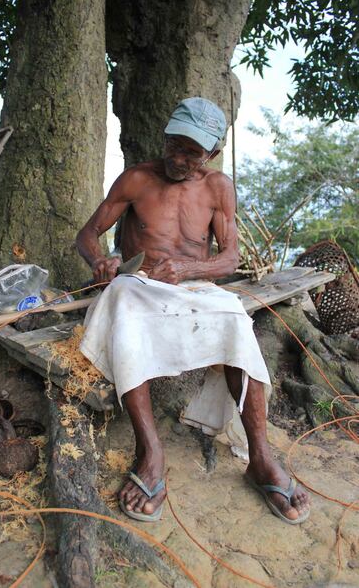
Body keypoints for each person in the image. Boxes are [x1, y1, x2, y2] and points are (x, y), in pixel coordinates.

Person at [76, 97, 310, 525]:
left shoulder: (218, 188)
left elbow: (230, 257)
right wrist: (99, 261)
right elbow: (88, 234)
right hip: (137, 284)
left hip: (195, 286)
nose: (178, 158)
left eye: (191, 152)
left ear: (212, 154)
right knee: (123, 306)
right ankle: (150, 450)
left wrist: (190, 268)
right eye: (173, 145)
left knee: (237, 322)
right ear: (164, 137)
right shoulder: (136, 179)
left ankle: (259, 457)